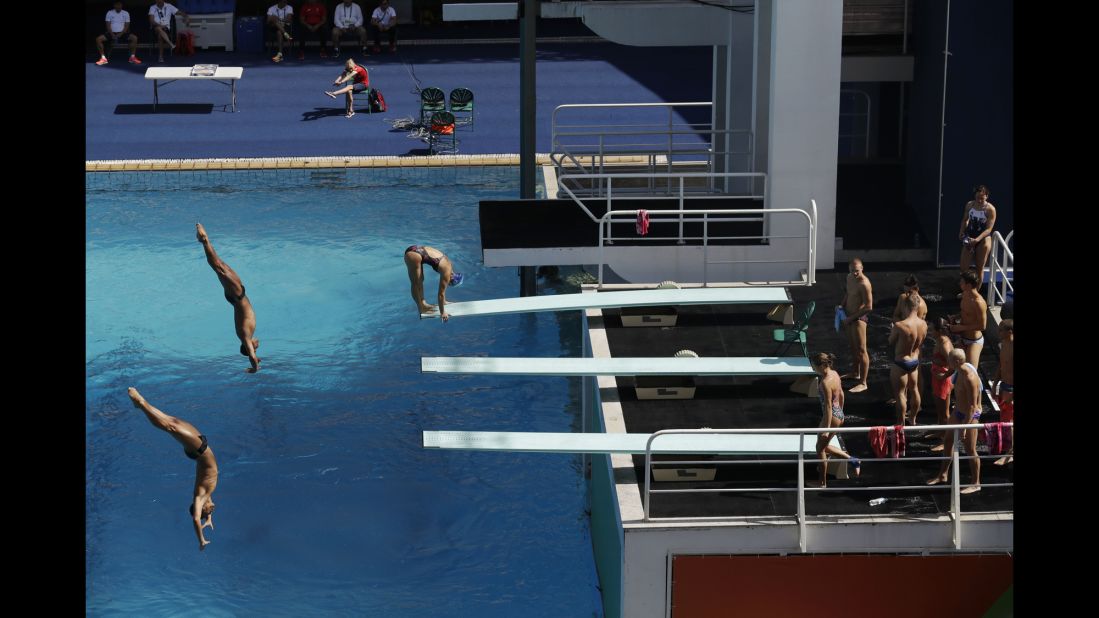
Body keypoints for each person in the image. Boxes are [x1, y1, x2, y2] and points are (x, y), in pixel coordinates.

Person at [128, 387, 218, 551]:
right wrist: (210, 519)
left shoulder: (199, 497)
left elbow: (196, 519)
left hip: (198, 450)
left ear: (200, 507)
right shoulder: (207, 498)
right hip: (200, 446)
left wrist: (201, 540)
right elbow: (208, 508)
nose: (212, 508)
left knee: (170, 426)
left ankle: (140, 402)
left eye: (206, 512)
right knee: (171, 420)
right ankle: (140, 405)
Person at [196, 223, 261, 372]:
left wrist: (254, 367)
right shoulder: (246, 334)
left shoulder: (245, 335)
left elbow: (250, 354)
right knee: (221, 266)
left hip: (237, 295)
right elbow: (251, 353)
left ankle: (204, 240)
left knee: (219, 267)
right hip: (237, 295)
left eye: (254, 349)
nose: (256, 347)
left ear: (248, 346)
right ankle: (204, 241)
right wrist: (254, 358)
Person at [927, 349, 983, 493]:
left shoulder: (970, 376)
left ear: (957, 362)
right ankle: (943, 474)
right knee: (948, 441)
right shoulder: (959, 370)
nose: (947, 362)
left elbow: (972, 406)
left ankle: (976, 483)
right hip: (958, 412)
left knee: (970, 450)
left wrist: (965, 427)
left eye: (949, 360)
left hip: (969, 417)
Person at [810, 352, 861, 488]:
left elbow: (827, 407)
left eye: (813, 366)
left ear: (821, 366)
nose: (812, 368)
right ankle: (852, 459)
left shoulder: (825, 383)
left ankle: (822, 483)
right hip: (839, 415)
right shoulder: (835, 374)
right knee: (824, 446)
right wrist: (841, 413)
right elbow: (842, 395)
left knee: (819, 449)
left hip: (831, 417)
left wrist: (826, 429)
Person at [888, 294, 926, 426]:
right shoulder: (923, 324)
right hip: (914, 361)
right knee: (914, 389)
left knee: (900, 394)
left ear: (906, 306)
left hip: (901, 361)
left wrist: (893, 330)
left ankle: (900, 422)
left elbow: (891, 341)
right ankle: (913, 419)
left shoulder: (900, 325)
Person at [838, 258, 873, 393]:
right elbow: (848, 293)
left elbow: (869, 306)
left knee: (862, 350)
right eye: (852, 271)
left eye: (857, 271)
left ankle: (863, 382)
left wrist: (851, 318)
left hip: (858, 318)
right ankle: (855, 372)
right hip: (849, 316)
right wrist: (841, 306)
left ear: (862, 268)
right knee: (853, 347)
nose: (854, 274)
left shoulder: (864, 284)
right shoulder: (849, 278)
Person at [404, 244, 464, 322]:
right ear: (451, 279)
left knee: (420, 280)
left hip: (417, 250)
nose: (448, 284)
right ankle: (421, 308)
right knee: (415, 283)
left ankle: (423, 304)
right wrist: (442, 313)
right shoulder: (447, 273)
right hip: (414, 255)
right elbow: (441, 294)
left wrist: (444, 302)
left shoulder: (450, 265)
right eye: (450, 283)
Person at [957, 185, 997, 294]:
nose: (979, 200)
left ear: (987, 197)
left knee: (979, 268)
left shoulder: (990, 209)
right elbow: (965, 220)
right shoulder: (970, 205)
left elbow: (989, 229)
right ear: (975, 195)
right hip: (970, 237)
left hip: (983, 240)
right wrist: (961, 231)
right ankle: (965, 291)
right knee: (963, 267)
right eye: (977, 197)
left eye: (982, 198)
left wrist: (977, 239)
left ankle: (975, 293)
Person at [927, 317, 955, 453]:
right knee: (939, 411)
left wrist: (944, 376)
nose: (929, 331)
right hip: (937, 378)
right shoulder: (939, 340)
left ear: (939, 331)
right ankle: (940, 432)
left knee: (945, 413)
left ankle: (946, 441)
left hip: (942, 381)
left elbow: (954, 365)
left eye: (931, 329)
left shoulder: (944, 345)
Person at [950, 270, 988, 367]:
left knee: (971, 371)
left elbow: (982, 326)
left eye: (962, 282)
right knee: (955, 367)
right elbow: (966, 312)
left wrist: (960, 327)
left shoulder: (979, 303)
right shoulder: (965, 294)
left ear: (969, 285)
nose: (959, 284)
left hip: (974, 341)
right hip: (962, 337)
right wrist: (956, 316)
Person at [993, 319, 1014, 466]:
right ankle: (1008, 448)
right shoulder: (1004, 344)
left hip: (1012, 389)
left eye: (1001, 330)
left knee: (1010, 422)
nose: (998, 332)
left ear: (1009, 332)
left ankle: (1011, 453)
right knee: (1005, 420)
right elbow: (1001, 365)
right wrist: (995, 383)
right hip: (1004, 386)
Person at [96, 1, 141, 66]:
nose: (118, 6)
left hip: (123, 33)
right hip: (111, 33)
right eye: (117, 5)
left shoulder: (126, 13)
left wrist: (121, 34)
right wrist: (112, 34)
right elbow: (108, 25)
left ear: (121, 5)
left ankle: (132, 57)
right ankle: (103, 58)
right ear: (114, 5)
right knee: (98, 39)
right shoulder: (109, 12)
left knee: (134, 38)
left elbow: (127, 25)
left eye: (119, 4)